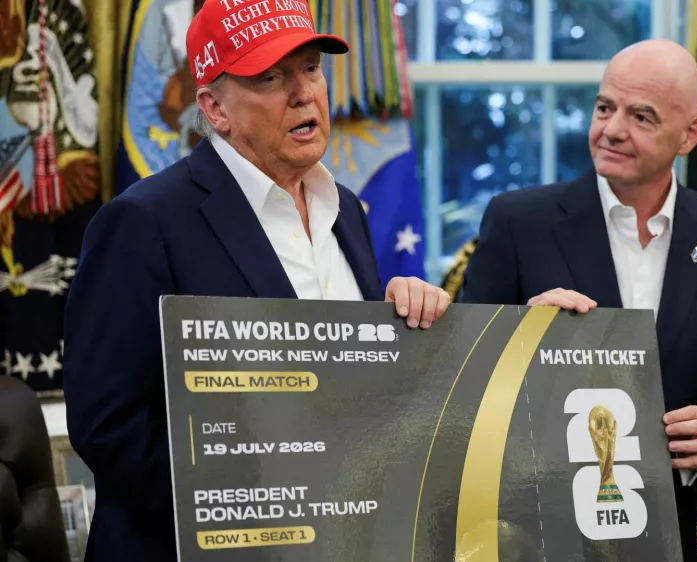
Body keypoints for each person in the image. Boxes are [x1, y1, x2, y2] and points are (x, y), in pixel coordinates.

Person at [61, 1, 451, 560]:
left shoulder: (346, 210)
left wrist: (406, 333)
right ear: (215, 109)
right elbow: (109, 426)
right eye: (270, 77)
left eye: (311, 68)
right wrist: (255, 516)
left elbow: (353, 398)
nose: (303, 93)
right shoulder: (143, 222)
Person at [460, 39, 697, 559]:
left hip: (684, 530)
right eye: (605, 107)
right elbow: (464, 388)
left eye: (641, 116)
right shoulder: (518, 223)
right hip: (546, 531)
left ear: (690, 135)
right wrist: (522, 339)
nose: (611, 129)